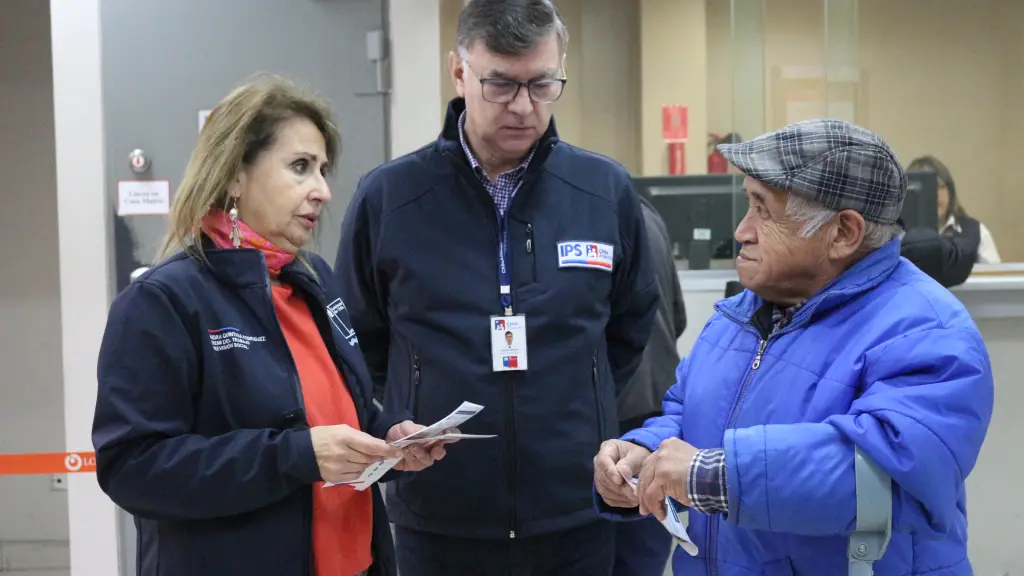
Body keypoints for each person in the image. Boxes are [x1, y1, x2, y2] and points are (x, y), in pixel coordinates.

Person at [334, 0, 659, 573]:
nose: (523, 106)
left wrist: (578, 403)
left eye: (542, 85)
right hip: (439, 512)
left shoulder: (601, 190)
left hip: (572, 511)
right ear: (458, 72)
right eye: (500, 85)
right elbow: (359, 341)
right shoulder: (390, 198)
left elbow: (630, 328)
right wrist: (405, 403)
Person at [594, 119, 994, 575]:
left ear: (844, 232)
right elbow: (687, 411)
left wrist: (711, 476)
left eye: (763, 210)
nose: (742, 230)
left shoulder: (927, 329)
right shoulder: (741, 315)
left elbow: (892, 476)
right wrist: (645, 453)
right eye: (748, 204)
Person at [92, 75, 452, 576]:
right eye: (301, 167)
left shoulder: (312, 281)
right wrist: (295, 455)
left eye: (323, 170)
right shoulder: (163, 301)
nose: (323, 191)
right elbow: (132, 469)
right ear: (235, 176)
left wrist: (388, 439)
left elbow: (328, 411)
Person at [612, 193, 686, 576]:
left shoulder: (582, 216)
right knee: (645, 541)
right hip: (658, 398)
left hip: (609, 406)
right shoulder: (648, 215)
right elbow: (677, 313)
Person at [899, 155, 999, 287]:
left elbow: (996, 277)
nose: (933, 194)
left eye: (938, 185)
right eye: (926, 187)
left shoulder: (976, 230)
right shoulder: (895, 233)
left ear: (950, 190)